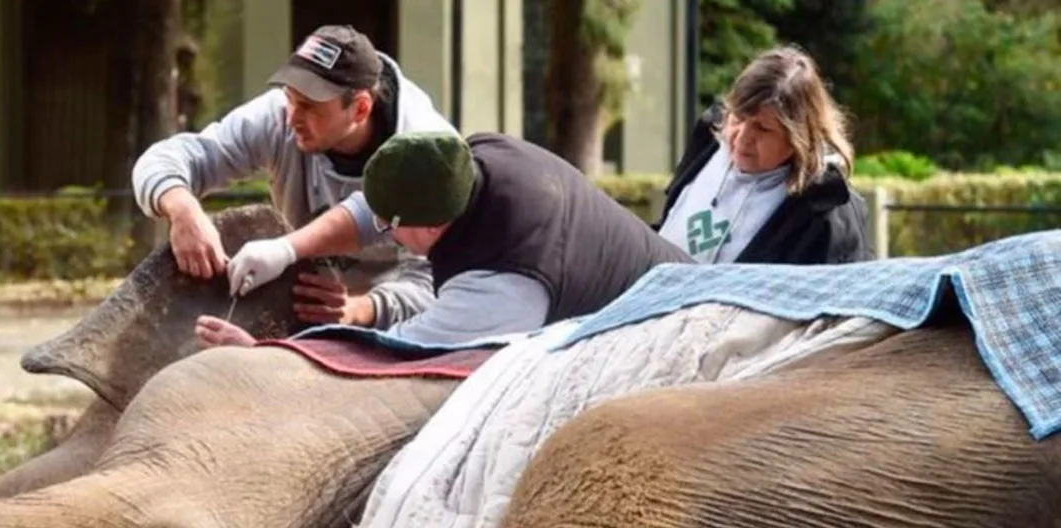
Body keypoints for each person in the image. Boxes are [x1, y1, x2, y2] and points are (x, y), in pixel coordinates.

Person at [195, 131, 694, 348]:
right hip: (674, 277)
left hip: (680, 331)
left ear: (432, 227)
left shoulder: (500, 288)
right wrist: (288, 248)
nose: (382, 234)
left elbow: (388, 355)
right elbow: (385, 205)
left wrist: (269, 351)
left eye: (391, 229)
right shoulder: (471, 157)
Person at [132, 25, 457, 330]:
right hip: (300, 295)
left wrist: (358, 309)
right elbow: (173, 156)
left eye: (309, 107)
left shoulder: (429, 155)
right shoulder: (279, 117)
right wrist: (182, 209)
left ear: (359, 109)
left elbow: (443, 284)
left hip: (398, 323)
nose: (292, 118)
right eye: (289, 98)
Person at [655, 45, 871, 265]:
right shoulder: (708, 140)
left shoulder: (826, 213)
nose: (741, 139)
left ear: (798, 140)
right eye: (738, 118)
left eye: (763, 129)